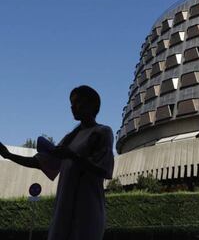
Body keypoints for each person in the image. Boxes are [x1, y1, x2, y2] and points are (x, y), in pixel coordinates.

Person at [0, 85, 114, 240]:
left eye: (78, 101)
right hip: (64, 208)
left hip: (87, 208)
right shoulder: (70, 138)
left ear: (92, 104)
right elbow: (40, 162)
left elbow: (104, 170)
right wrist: (8, 155)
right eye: (71, 102)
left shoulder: (101, 132)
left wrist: (72, 156)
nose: (73, 106)